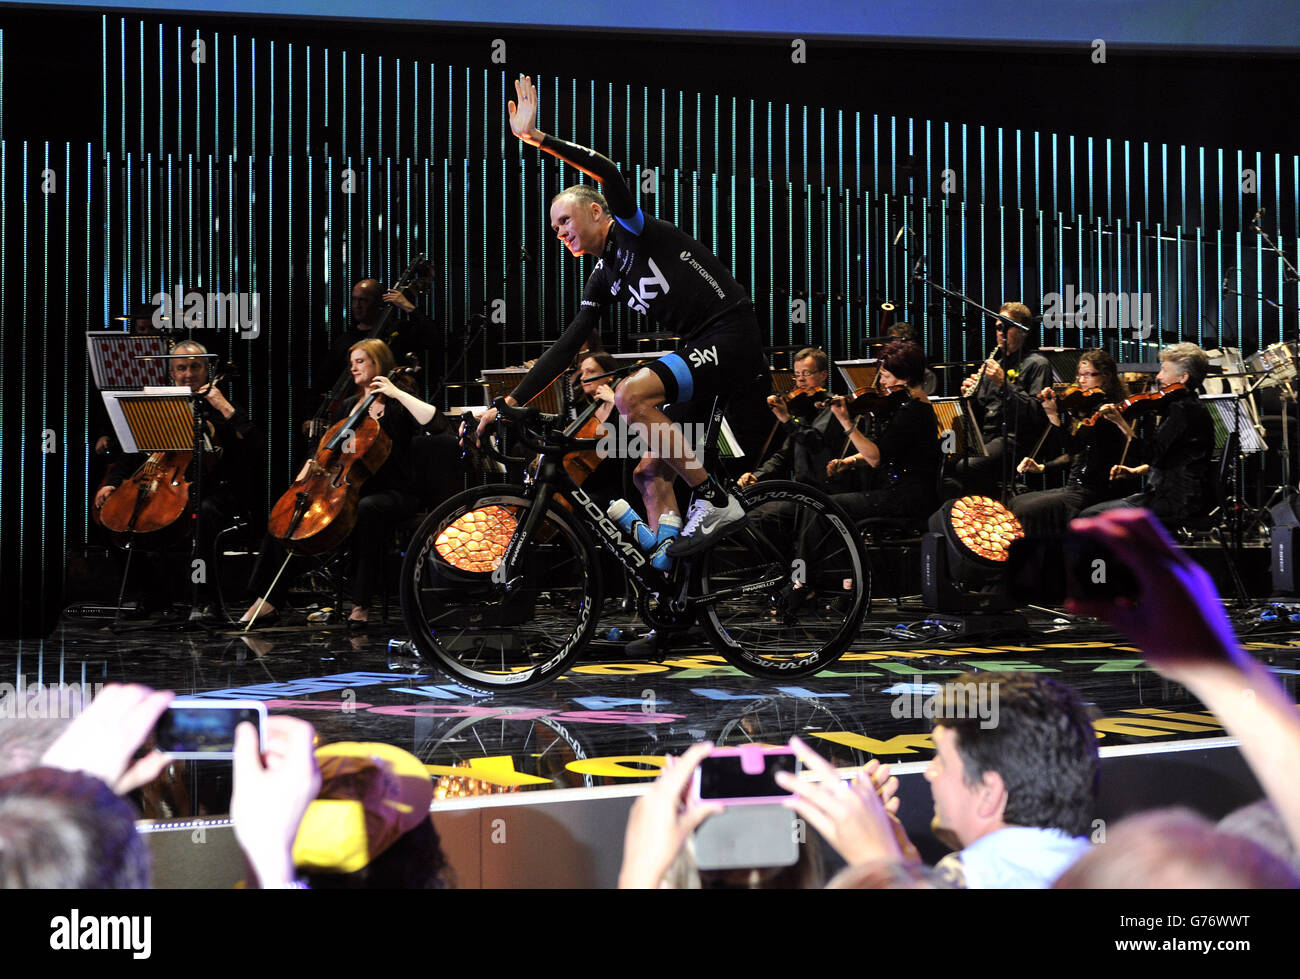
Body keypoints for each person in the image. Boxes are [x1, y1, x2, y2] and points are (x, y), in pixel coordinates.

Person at [479, 75, 769, 566]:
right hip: (700, 345)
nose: (559, 232)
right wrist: (506, 404)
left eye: (565, 220)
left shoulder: (633, 231)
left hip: (731, 333)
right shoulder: (602, 276)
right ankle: (669, 591)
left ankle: (717, 500)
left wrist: (539, 139)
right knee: (649, 475)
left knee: (633, 395)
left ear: (597, 212)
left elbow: (610, 171)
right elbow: (568, 345)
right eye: (554, 228)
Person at [244, 339, 438, 629]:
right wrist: (312, 463)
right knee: (292, 514)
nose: (353, 368)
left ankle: (360, 604)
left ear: (379, 364)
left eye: (361, 361)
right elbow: (330, 446)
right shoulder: (349, 405)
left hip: (395, 490)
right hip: (347, 485)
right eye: (352, 363)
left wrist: (395, 391)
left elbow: (434, 423)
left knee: (368, 509)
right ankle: (266, 598)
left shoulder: (398, 403)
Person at [93, 339, 261, 619]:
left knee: (205, 513)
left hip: (216, 488)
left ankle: (205, 598)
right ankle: (153, 593)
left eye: (195, 367)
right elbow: (132, 451)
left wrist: (223, 406)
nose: (188, 374)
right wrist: (115, 481)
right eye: (181, 368)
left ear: (207, 370)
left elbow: (256, 445)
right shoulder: (159, 406)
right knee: (112, 515)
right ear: (171, 373)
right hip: (165, 483)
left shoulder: (220, 405)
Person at [1078, 342, 1215, 526]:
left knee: (1090, 517)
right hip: (1177, 495)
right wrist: (1136, 471)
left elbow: (1152, 454)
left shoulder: (1182, 410)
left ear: (1183, 377)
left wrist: (1122, 424)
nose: (1158, 376)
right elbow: (1173, 458)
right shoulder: (1189, 407)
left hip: (1176, 501)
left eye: (1165, 370)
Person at [1010, 349, 1130, 537]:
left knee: (1025, 509)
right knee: (1016, 502)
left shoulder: (1106, 411)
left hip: (1092, 491)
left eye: (1088, 375)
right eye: (1079, 375)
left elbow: (1074, 446)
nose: (1081, 380)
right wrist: (1042, 467)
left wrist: (1053, 416)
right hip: (1074, 486)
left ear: (1105, 377)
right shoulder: (1087, 407)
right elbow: (1076, 455)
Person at [305, 277, 440, 439]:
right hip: (349, 414)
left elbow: (435, 339)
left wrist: (408, 307)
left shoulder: (397, 332)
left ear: (378, 302)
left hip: (388, 411)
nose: (357, 305)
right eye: (354, 300)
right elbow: (323, 380)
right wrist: (312, 416)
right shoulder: (344, 341)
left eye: (363, 300)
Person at [826, 340, 940, 521]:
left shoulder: (912, 411)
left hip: (906, 499)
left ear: (906, 377)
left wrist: (846, 422)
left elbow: (876, 458)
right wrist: (851, 461)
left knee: (826, 508)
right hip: (901, 493)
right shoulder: (911, 406)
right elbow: (886, 451)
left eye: (885, 375)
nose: (881, 381)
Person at [953, 302, 1051, 498]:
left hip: (1014, 439)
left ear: (1024, 331)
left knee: (967, 466)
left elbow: (1035, 413)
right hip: (986, 437)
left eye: (1008, 326)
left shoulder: (1038, 364)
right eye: (999, 327)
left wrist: (1003, 383)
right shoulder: (994, 365)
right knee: (943, 459)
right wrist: (969, 396)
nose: (1001, 332)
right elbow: (981, 410)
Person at [738, 348, 848, 494]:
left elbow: (814, 442)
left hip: (825, 492)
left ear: (823, 375)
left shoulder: (834, 407)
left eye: (807, 373)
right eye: (797, 374)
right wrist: (757, 476)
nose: (801, 379)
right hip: (801, 490)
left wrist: (786, 418)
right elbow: (784, 455)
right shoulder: (801, 408)